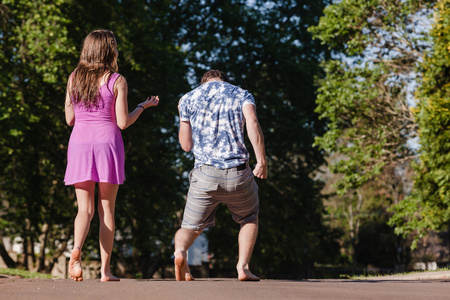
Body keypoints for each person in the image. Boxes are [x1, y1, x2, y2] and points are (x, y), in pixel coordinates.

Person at [64, 29, 159, 282]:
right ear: (109, 50)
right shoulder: (117, 80)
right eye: (115, 45)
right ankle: (105, 272)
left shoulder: (74, 78)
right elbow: (122, 122)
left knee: (84, 209)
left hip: (80, 144)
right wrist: (142, 106)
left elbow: (69, 119)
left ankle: (76, 250)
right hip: (107, 144)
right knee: (107, 208)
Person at [174, 70, 267, 281]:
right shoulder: (241, 94)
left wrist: (182, 116)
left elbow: (186, 146)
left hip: (204, 175)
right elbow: (252, 122)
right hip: (238, 174)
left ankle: (180, 252)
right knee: (249, 217)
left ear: (203, 82)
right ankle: (243, 268)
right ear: (223, 79)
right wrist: (261, 161)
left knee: (190, 227)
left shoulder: (188, 98)